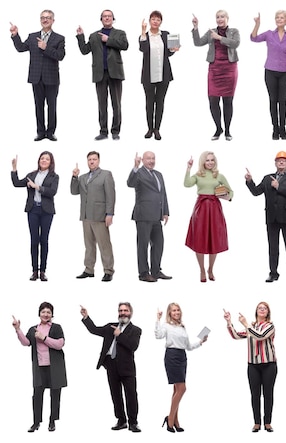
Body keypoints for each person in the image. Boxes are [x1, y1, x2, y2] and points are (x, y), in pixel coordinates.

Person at [80, 303, 142, 432]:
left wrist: (120, 335)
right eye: (120, 310)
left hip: (127, 368)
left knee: (131, 395)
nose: (123, 313)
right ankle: (121, 420)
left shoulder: (135, 330)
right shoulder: (110, 327)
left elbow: (133, 346)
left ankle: (133, 423)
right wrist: (86, 317)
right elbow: (94, 330)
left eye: (125, 310)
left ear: (130, 313)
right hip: (111, 365)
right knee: (116, 395)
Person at [246, 151, 286, 282]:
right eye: (279, 160)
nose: (281, 162)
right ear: (275, 163)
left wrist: (279, 186)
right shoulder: (267, 178)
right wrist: (249, 181)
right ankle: (273, 273)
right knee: (273, 246)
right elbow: (256, 192)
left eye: (284, 160)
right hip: (271, 217)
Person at [10, 10, 65, 141]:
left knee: (52, 106)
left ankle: (50, 132)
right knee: (38, 105)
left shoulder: (59, 38)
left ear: (53, 20)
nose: (45, 20)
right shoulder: (32, 36)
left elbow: (60, 56)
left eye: (48, 18)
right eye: (42, 18)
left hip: (51, 78)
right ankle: (40, 132)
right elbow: (21, 48)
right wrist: (15, 35)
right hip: (36, 77)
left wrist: (46, 48)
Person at [12, 302, 66, 433]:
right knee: (37, 395)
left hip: (55, 367)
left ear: (52, 314)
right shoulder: (33, 329)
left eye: (48, 312)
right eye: (43, 312)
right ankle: (36, 422)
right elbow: (26, 343)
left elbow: (60, 344)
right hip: (39, 367)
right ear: (39, 314)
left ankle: (52, 421)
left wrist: (44, 338)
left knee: (55, 394)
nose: (46, 314)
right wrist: (18, 329)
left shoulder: (56, 327)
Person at [77, 10, 128, 140]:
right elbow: (84, 50)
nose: (107, 18)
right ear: (101, 19)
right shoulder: (94, 36)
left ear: (113, 19)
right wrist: (80, 36)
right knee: (102, 103)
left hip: (115, 73)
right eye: (104, 16)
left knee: (116, 104)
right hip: (100, 73)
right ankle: (103, 131)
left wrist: (108, 40)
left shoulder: (120, 33)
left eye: (109, 16)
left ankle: (115, 131)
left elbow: (125, 45)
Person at [225, 302, 277, 432]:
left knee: (268, 394)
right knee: (255, 394)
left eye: (265, 308)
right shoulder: (251, 326)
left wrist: (246, 324)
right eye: (260, 308)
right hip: (253, 365)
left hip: (269, 364)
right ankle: (257, 423)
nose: (262, 310)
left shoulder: (270, 326)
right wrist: (229, 322)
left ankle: (268, 422)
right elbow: (236, 335)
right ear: (256, 311)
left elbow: (260, 336)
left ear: (268, 312)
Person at [155, 303, 208, 432]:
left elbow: (188, 346)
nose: (176, 312)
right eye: (173, 310)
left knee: (176, 390)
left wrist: (201, 342)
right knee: (182, 388)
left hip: (182, 356)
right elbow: (158, 336)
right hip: (172, 356)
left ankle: (175, 420)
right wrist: (158, 319)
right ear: (169, 313)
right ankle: (170, 419)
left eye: (178, 310)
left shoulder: (182, 326)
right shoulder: (166, 325)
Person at [184, 151, 232, 282]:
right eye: (207, 160)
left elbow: (231, 192)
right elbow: (187, 184)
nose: (210, 162)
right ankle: (201, 269)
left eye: (212, 160)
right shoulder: (198, 175)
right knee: (199, 238)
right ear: (203, 162)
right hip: (201, 208)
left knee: (214, 239)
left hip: (215, 208)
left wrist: (226, 196)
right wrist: (188, 168)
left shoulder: (219, 176)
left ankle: (211, 268)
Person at [192, 10, 240, 141]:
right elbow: (198, 43)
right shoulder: (211, 32)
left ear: (227, 18)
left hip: (229, 69)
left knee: (227, 101)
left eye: (222, 16)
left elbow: (235, 43)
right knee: (213, 100)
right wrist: (196, 28)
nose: (220, 19)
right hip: (214, 69)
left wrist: (219, 38)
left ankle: (228, 131)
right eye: (218, 17)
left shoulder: (234, 31)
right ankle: (218, 128)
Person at [11, 152, 59, 282]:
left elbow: (52, 192)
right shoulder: (31, 175)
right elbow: (16, 183)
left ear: (51, 162)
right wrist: (14, 169)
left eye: (47, 159)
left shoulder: (54, 176)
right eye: (42, 158)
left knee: (44, 240)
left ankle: (43, 271)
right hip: (33, 209)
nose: (44, 160)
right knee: (34, 240)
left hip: (46, 211)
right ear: (39, 160)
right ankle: (34, 271)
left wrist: (36, 186)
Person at [70, 151, 116, 282]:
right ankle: (89, 269)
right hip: (86, 216)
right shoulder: (83, 177)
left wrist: (110, 213)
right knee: (89, 245)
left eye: (94, 159)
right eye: (89, 159)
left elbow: (111, 195)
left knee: (104, 245)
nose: (91, 161)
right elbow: (74, 192)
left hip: (100, 215)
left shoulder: (106, 175)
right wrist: (74, 177)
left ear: (99, 161)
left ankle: (108, 270)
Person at [251, 11, 286, 140]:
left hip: (285, 72)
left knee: (282, 101)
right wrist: (257, 24)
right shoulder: (269, 34)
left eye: (282, 17)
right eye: (277, 17)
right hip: (270, 71)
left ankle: (283, 128)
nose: (279, 19)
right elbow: (253, 38)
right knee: (273, 100)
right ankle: (275, 129)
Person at [127, 151, 171, 282]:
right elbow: (130, 183)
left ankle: (156, 271)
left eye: (153, 158)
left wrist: (166, 211)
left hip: (157, 215)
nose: (151, 161)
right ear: (143, 160)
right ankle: (144, 273)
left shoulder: (159, 174)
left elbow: (163, 194)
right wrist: (135, 167)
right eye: (148, 159)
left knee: (159, 244)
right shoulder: (139, 173)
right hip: (144, 215)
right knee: (143, 245)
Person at [140, 10, 178, 140]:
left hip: (164, 74)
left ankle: (157, 129)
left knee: (160, 102)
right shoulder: (144, 35)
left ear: (161, 22)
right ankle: (149, 128)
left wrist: (174, 50)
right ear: (149, 21)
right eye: (153, 19)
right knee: (149, 102)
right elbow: (143, 49)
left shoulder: (166, 35)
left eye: (158, 19)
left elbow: (168, 53)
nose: (155, 21)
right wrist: (143, 32)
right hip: (148, 75)